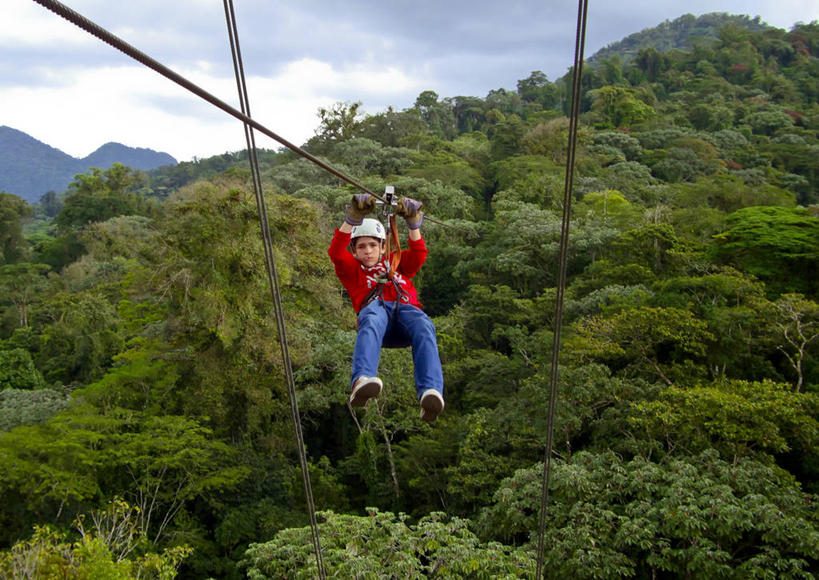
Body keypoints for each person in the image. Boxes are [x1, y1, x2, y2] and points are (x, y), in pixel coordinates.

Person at [328, 193, 445, 422]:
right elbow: (336, 253)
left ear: (383, 247)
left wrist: (413, 224)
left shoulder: (395, 262)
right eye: (361, 247)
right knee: (371, 315)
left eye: (373, 245)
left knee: (424, 324)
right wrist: (352, 218)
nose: (368, 251)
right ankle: (362, 379)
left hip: (405, 314)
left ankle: (430, 391)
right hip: (377, 312)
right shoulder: (353, 271)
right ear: (355, 251)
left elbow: (419, 254)